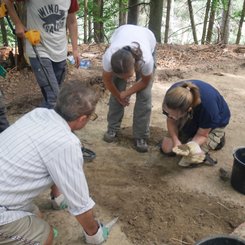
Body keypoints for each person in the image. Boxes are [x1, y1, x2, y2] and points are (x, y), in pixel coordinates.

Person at [0, 80, 110, 245]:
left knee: (37, 216)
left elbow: (51, 162)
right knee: (45, 236)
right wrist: (95, 233)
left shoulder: (38, 114)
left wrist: (58, 197)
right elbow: (80, 204)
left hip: (5, 194)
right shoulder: (66, 143)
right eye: (90, 118)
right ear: (81, 119)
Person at [4, 0, 80, 109]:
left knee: (52, 95)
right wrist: (18, 23)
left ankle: (42, 121)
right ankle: (53, 124)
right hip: (38, 48)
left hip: (60, 51)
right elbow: (7, 1)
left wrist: (75, 49)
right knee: (54, 97)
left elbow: (72, 21)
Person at [102, 24, 156, 153]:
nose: (126, 79)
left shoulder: (146, 60)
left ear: (135, 66)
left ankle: (141, 136)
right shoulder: (109, 58)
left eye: (128, 76)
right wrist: (118, 95)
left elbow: (144, 81)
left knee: (144, 96)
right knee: (117, 87)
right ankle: (112, 128)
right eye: (122, 76)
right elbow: (108, 81)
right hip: (123, 33)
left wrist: (126, 93)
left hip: (147, 38)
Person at [161, 79, 230, 167]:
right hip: (189, 115)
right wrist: (176, 141)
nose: (169, 116)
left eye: (173, 116)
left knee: (187, 160)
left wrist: (191, 146)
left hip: (214, 123)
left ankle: (217, 138)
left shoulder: (208, 109)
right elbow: (171, 121)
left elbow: (202, 135)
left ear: (188, 110)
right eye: (168, 113)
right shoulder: (172, 96)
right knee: (166, 149)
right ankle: (188, 133)